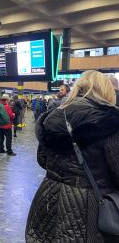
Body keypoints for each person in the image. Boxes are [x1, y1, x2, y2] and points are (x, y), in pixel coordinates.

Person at [26, 70, 119, 243]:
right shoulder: (110, 121)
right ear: (107, 91)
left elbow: (42, 159)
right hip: (88, 205)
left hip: (48, 195)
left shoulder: (54, 115)